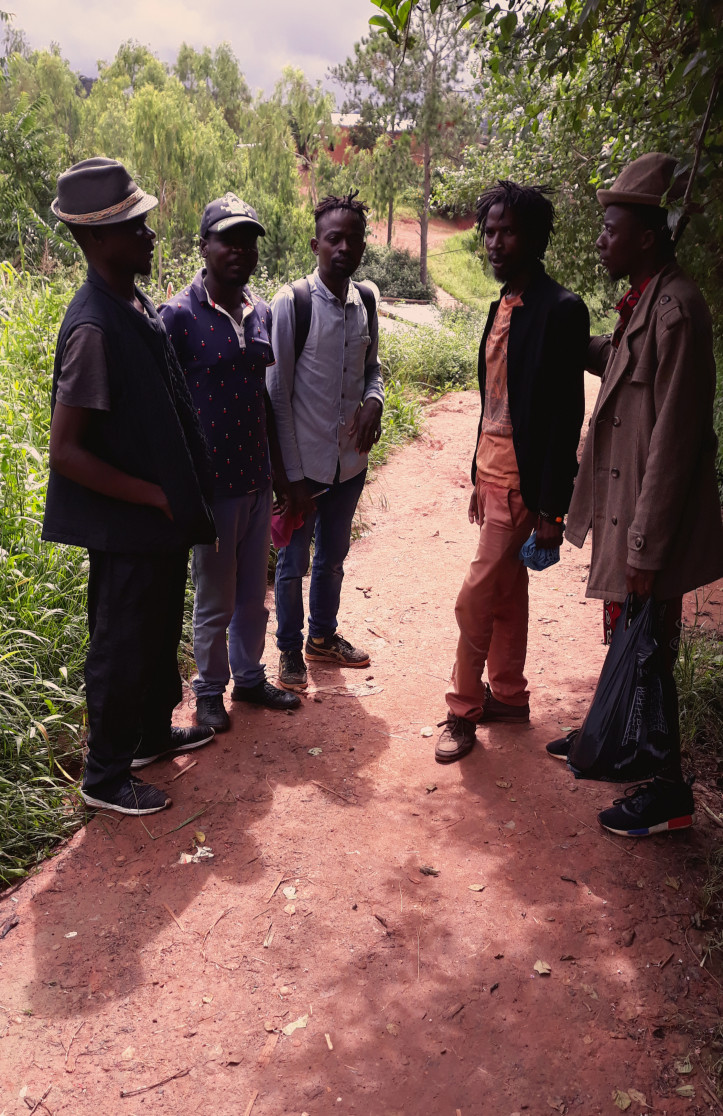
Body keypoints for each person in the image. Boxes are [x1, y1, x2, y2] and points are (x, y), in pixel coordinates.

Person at [43, 158, 217, 816]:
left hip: (158, 522)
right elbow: (66, 453)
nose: (148, 233)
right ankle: (106, 775)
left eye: (143, 220)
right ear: (93, 240)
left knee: (152, 632)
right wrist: (151, 495)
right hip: (127, 524)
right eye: (132, 225)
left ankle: (148, 735)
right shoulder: (91, 327)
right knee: (119, 644)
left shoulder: (134, 302)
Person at [556, 152, 723, 836]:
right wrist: (568, 336)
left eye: (611, 227)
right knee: (630, 637)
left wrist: (646, 547)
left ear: (648, 236)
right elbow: (622, 362)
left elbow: (675, 443)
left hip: (650, 521)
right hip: (629, 513)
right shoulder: (645, 301)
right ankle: (617, 738)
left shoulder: (677, 309)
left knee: (649, 648)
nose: (600, 239)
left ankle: (667, 792)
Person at [435, 181, 589, 764]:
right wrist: (477, 470)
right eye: (489, 232)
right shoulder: (505, 303)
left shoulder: (561, 309)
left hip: (526, 484)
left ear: (535, 237)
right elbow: (494, 401)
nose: (494, 243)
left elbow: (562, 417)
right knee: (505, 591)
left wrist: (553, 507)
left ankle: (461, 710)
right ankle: (509, 695)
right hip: (493, 474)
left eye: (507, 232)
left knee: (475, 595)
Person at [160, 194, 300, 732]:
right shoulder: (177, 316)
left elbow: (262, 398)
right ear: (205, 246)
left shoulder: (258, 310)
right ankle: (210, 691)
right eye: (228, 239)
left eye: (248, 241)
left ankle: (248, 677)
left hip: (257, 481)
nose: (240, 250)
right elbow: (166, 406)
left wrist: (282, 476)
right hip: (211, 488)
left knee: (251, 596)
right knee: (215, 598)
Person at [267, 191, 384, 691]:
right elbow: (276, 395)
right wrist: (290, 477)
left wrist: (376, 401)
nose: (343, 247)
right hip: (305, 469)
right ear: (315, 244)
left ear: (362, 247)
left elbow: (373, 370)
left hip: (349, 465)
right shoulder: (291, 303)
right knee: (294, 563)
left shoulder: (368, 302)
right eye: (333, 238)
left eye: (352, 239)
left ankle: (322, 638)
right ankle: (290, 652)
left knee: (333, 557)